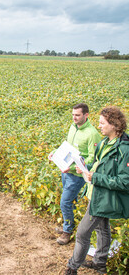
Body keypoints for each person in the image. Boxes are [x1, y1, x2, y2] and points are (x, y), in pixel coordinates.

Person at [65, 106, 129, 275]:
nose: (99, 126)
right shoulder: (104, 143)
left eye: (102, 123)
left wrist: (96, 177)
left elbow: (124, 182)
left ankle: (72, 267)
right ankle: (100, 263)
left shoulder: (124, 150)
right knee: (102, 228)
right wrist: (84, 168)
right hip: (96, 193)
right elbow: (97, 165)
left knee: (82, 233)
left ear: (114, 125)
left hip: (104, 198)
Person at [48, 103, 101, 245]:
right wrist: (55, 152)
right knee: (72, 201)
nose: (74, 118)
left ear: (86, 115)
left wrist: (75, 168)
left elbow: (93, 158)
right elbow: (67, 146)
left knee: (65, 202)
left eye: (77, 115)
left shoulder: (92, 134)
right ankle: (71, 224)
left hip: (76, 176)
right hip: (65, 171)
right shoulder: (73, 127)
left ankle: (67, 231)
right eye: (73, 115)